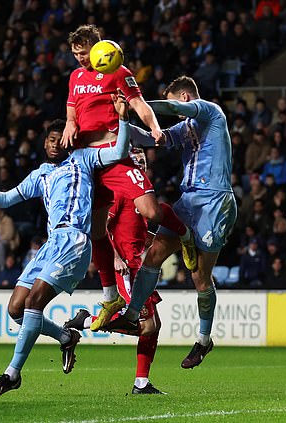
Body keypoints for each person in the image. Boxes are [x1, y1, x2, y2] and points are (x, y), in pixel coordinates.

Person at [0, 92, 132, 398]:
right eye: (49, 139)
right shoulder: (41, 174)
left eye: (60, 138)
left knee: (34, 302)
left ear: (69, 140)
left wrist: (123, 118)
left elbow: (119, 151)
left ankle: (12, 374)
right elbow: (6, 199)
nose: (54, 143)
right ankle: (65, 336)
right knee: (16, 308)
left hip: (74, 240)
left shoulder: (83, 160)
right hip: (50, 244)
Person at [61, 25, 197, 331]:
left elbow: (139, 104)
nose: (79, 59)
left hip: (115, 155)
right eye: (75, 54)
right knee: (96, 231)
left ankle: (183, 234)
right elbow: (72, 109)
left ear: (98, 48)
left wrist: (155, 128)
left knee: (150, 211)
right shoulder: (75, 77)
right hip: (87, 160)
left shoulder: (119, 71)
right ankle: (110, 295)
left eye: (83, 53)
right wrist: (70, 124)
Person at [106, 76, 237, 369]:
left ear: (186, 98)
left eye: (178, 106)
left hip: (215, 201)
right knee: (152, 255)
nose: (177, 114)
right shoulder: (185, 127)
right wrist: (119, 122)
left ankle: (204, 340)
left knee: (200, 277)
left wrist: (136, 103)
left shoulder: (211, 112)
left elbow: (165, 106)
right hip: (188, 202)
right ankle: (132, 314)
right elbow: (152, 138)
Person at [65, 150, 165, 395]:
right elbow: (101, 229)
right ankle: (86, 320)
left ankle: (141, 382)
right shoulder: (120, 190)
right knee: (147, 326)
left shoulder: (141, 193)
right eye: (136, 159)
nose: (140, 162)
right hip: (126, 269)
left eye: (143, 159)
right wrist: (116, 257)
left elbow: (132, 231)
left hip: (139, 268)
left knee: (155, 324)